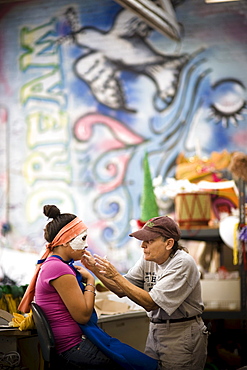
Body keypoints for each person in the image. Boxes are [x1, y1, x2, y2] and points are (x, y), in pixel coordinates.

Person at [18, 205, 159, 370]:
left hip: (71, 344)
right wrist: (91, 281)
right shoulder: (59, 268)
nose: (86, 245)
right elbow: (83, 316)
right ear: (65, 241)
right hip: (72, 348)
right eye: (82, 239)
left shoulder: (54, 265)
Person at [82, 215, 209, 370]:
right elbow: (122, 290)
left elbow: (150, 303)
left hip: (181, 333)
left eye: (149, 241)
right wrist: (95, 269)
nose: (143, 246)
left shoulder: (182, 263)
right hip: (156, 330)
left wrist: (115, 275)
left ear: (169, 243)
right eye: (143, 240)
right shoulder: (148, 259)